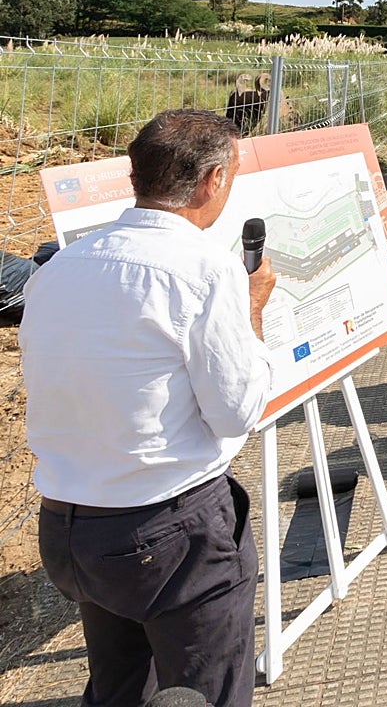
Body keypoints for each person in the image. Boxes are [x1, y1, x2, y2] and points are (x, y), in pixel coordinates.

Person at [21, 109, 277, 706]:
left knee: (119, 684)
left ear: (136, 174)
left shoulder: (58, 269)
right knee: (204, 691)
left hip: (69, 529)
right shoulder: (204, 269)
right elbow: (238, 410)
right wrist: (254, 308)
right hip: (171, 532)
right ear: (214, 181)